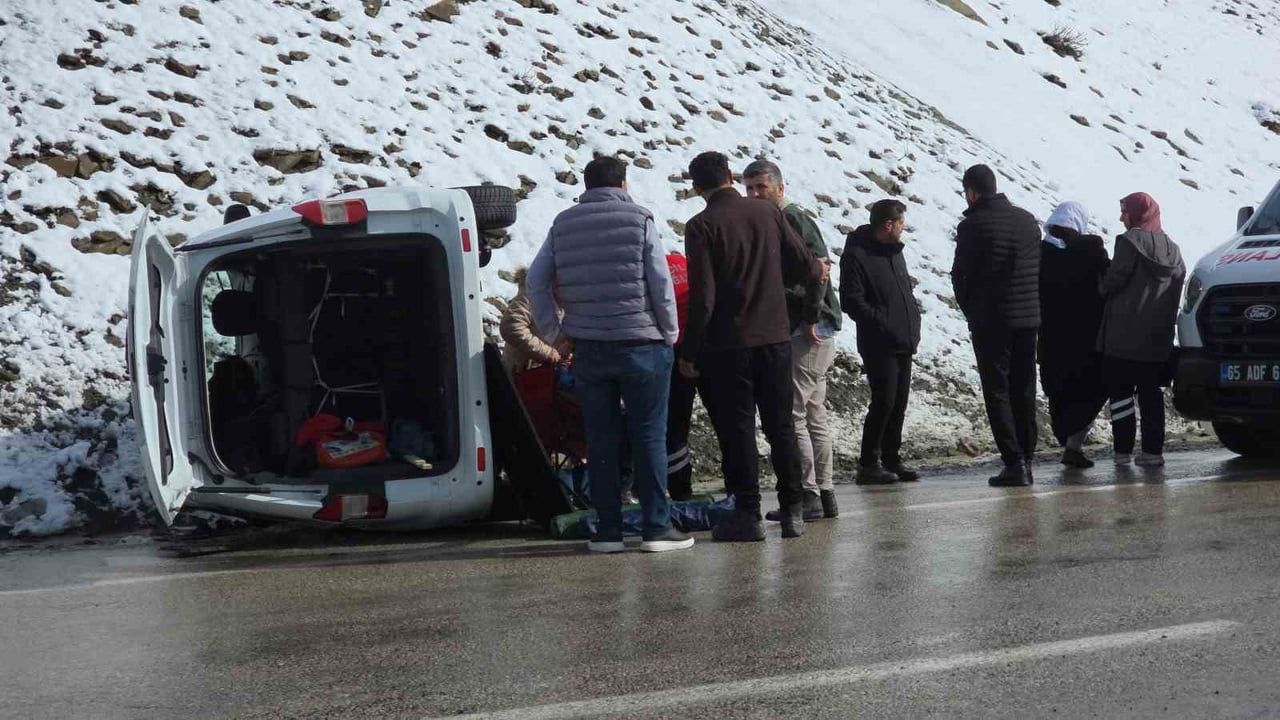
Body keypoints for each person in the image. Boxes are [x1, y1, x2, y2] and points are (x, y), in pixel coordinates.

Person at [526, 156, 691, 553]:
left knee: (600, 439)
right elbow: (659, 282)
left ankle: (607, 531)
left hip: (590, 349)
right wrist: (669, 333)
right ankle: (656, 528)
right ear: (623, 183)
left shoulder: (562, 223)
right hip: (642, 345)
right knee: (648, 434)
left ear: (587, 185)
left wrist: (556, 333)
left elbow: (535, 281)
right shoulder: (639, 220)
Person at [679, 151, 824, 542]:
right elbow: (810, 267)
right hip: (775, 338)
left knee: (738, 430)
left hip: (728, 346)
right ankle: (793, 509)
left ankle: (748, 513)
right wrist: (803, 311)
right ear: (730, 175)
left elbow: (704, 300)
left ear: (697, 188)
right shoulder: (768, 212)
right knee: (781, 427)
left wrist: (689, 353)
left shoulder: (700, 226)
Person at [742, 160, 841, 521]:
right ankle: (825, 492)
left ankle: (808, 493)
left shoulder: (792, 218)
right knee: (814, 413)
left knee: (794, 412)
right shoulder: (777, 220)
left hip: (806, 327)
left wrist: (812, 315)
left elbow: (820, 268)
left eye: (760, 188)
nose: (753, 195)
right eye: (749, 188)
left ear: (779, 189)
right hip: (810, 324)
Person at [950, 164, 1043, 487]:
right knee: (1025, 387)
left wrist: (972, 311)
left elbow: (960, 276)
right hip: (1028, 318)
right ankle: (1028, 458)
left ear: (972, 192)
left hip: (992, 322)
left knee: (998, 390)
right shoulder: (1027, 221)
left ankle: (1014, 461)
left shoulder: (973, 226)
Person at [1098, 192, 1185, 467]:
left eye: (1124, 211)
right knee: (1151, 395)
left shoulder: (1128, 242)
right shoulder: (1173, 249)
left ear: (1136, 214)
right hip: (1156, 337)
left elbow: (1116, 279)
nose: (1122, 217)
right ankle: (1152, 452)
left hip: (1124, 334)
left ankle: (1122, 451)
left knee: (1121, 394)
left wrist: (1101, 285)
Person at [840, 199, 922, 485]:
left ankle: (891, 457)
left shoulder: (895, 252)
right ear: (888, 225)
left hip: (903, 338)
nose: (903, 228)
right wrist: (882, 323)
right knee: (884, 400)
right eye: (901, 223)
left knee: (898, 401)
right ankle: (869, 462)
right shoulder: (858, 254)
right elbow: (852, 300)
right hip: (879, 341)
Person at [1038, 201, 1110, 469]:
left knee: (1060, 392)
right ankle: (1073, 445)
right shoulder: (1091, 250)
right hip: (1086, 340)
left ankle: (1068, 443)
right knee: (1090, 390)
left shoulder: (1040, 253)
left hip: (1052, 338)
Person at [664, 250, 697, 501]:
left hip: (672, 350)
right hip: (703, 346)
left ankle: (679, 489)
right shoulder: (683, 262)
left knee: (674, 424)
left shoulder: (656, 267)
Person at [499, 267, 561, 374]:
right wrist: (547, 352)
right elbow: (511, 326)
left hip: (549, 374)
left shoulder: (565, 295)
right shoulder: (533, 293)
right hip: (524, 374)